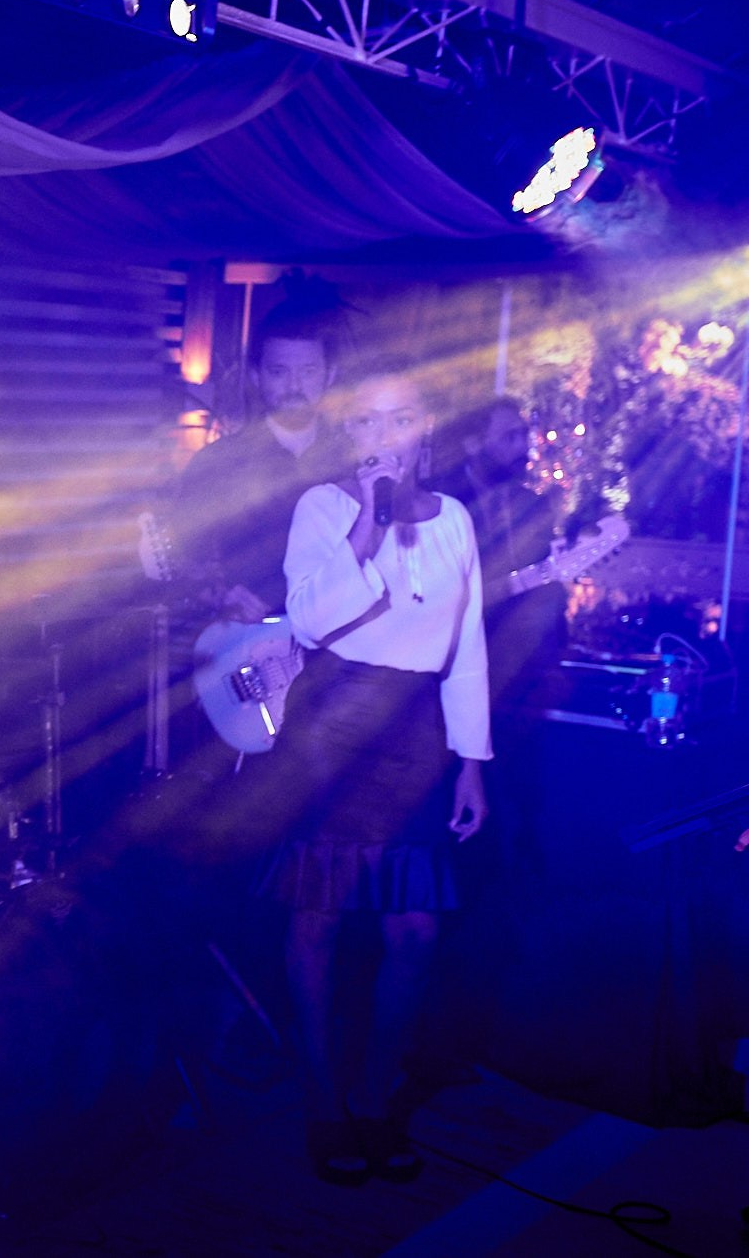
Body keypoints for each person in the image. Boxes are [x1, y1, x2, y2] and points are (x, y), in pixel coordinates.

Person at [258, 363, 489, 1187]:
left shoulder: (457, 518)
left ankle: (373, 1094)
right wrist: (363, 527)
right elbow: (312, 619)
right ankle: (324, 1103)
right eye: (363, 424)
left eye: (397, 420)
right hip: (335, 727)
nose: (381, 438)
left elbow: (466, 649)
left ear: (426, 425)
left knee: (415, 930)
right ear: (347, 437)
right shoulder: (321, 508)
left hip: (417, 736)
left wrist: (471, 762)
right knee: (318, 917)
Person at [171, 291, 349, 626]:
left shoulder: (352, 459)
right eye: (279, 372)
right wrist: (220, 596)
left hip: (336, 649)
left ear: (329, 375)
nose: (294, 386)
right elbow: (180, 559)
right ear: (256, 376)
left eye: (308, 371)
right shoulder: (217, 462)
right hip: (247, 648)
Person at [433, 397, 568, 707]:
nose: (523, 447)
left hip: (523, 675)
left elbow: (546, 586)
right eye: (510, 436)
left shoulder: (533, 504)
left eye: (524, 435)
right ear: (473, 445)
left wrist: (553, 663)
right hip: (455, 669)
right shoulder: (442, 502)